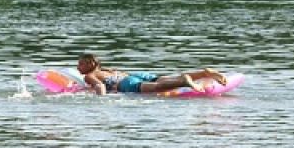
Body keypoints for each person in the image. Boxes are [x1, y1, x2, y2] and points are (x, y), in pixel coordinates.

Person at [77, 53, 227, 95]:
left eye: (81, 64)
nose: (78, 67)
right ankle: (204, 73)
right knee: (164, 79)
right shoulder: (107, 70)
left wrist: (100, 100)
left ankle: (184, 82)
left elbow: (99, 86)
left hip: (126, 84)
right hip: (135, 75)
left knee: (157, 87)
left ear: (91, 64)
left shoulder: (89, 76)